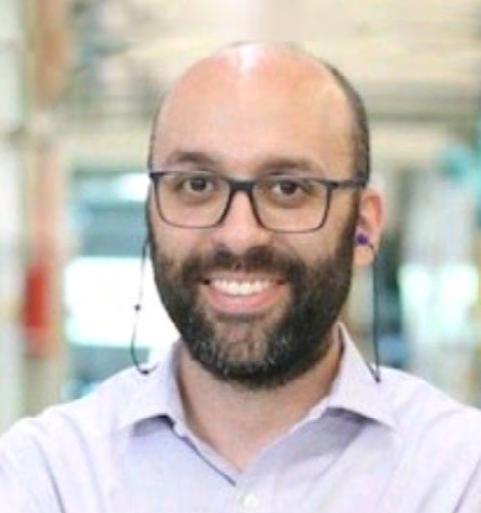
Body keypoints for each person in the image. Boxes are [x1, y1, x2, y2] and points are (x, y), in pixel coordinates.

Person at [1, 42, 480, 513]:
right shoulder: (46, 475)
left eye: (288, 188)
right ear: (153, 213)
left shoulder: (458, 474)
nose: (239, 235)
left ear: (363, 227)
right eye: (197, 185)